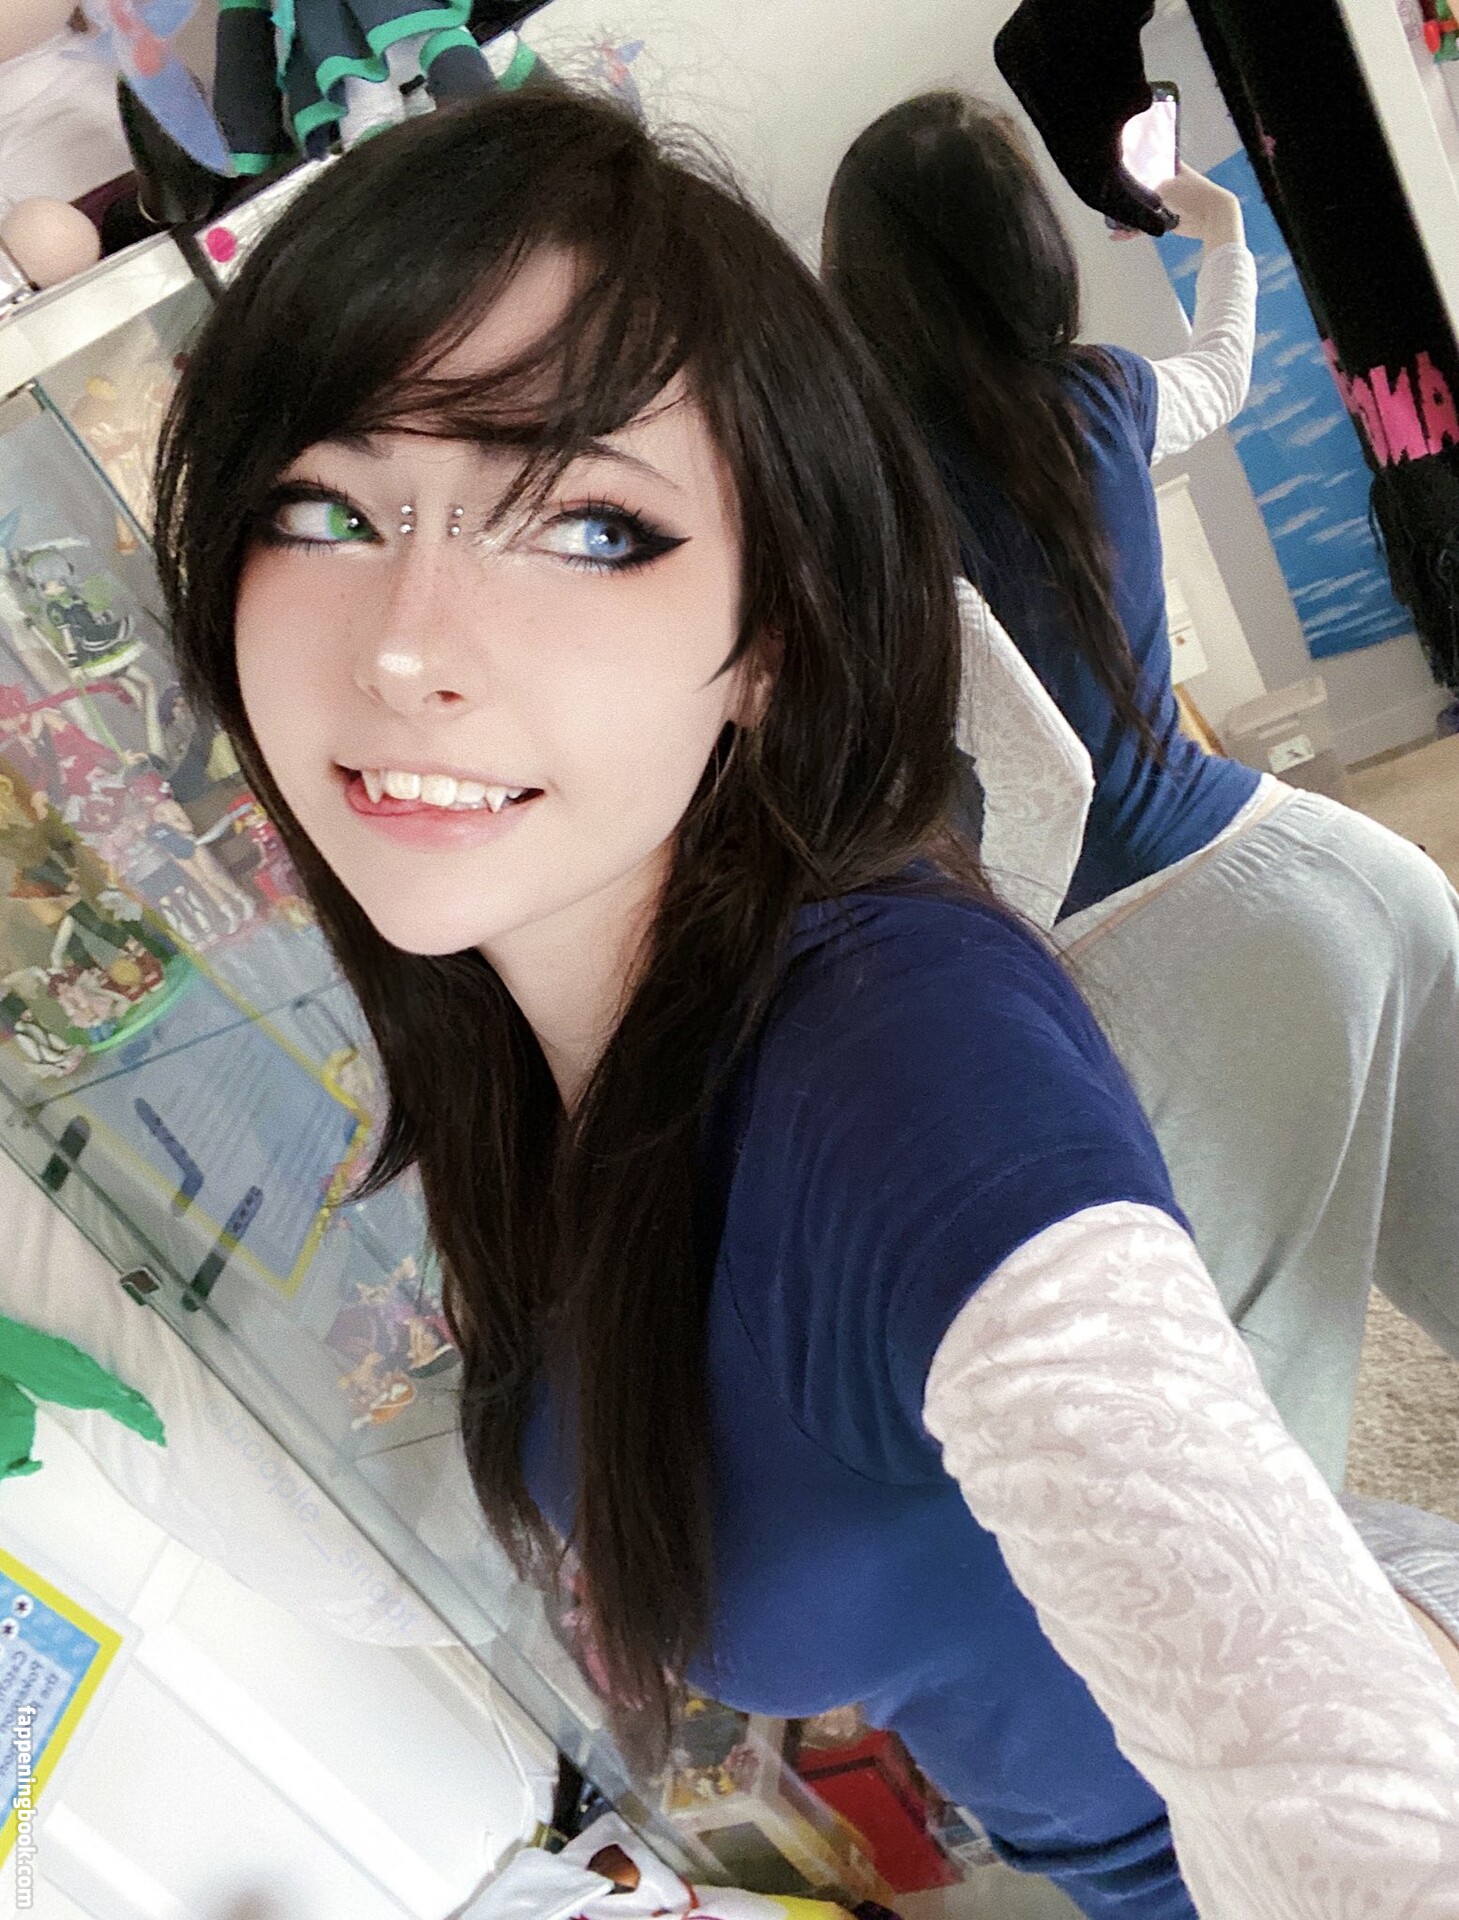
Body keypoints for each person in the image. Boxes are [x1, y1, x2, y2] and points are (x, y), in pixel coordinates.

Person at [152, 87, 1459, 1920]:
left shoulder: (896, 1053)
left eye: (586, 524)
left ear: (775, 633)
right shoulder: (533, 1026)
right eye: (324, 507)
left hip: (1239, 921)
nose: (408, 644)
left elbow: (1335, 1763)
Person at [822, 92, 1459, 1491]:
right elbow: (1224, 369)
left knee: (1245, 1482)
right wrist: (1218, 229)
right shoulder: (1103, 392)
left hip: (1130, 973)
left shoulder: (852, 517)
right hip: (1331, 867)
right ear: (1030, 248)